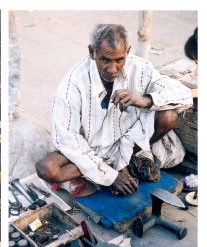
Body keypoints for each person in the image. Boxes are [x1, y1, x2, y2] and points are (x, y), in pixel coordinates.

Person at [35, 24, 193, 196]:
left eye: (119, 60)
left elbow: (183, 94)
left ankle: (128, 159)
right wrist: (111, 176)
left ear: (128, 51)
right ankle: (110, 166)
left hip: (126, 141)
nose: (112, 69)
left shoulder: (140, 68)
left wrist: (144, 100)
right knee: (47, 169)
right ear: (91, 52)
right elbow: (68, 141)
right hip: (89, 146)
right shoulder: (71, 85)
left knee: (168, 116)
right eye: (105, 60)